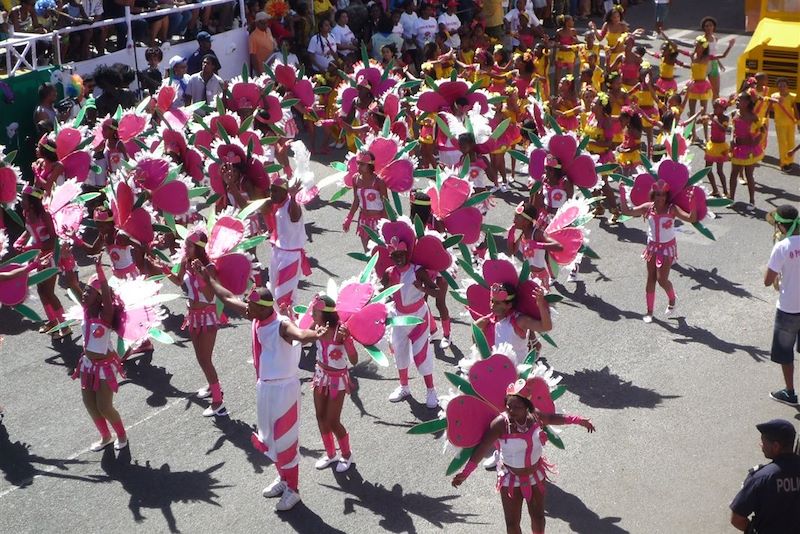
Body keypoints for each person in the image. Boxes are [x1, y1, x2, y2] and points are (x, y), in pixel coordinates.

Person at [198, 266, 326, 511]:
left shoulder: (280, 325)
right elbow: (226, 297)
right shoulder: (257, 316)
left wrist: (315, 334)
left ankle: (293, 490)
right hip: (265, 388)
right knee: (271, 439)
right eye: (248, 304)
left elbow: (299, 334)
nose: (247, 308)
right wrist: (210, 278)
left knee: (286, 441)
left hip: (284, 392)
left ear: (266, 307)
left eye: (252, 306)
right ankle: (283, 478)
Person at [452, 378, 595, 534]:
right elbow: (482, 448)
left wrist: (578, 420)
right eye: (508, 406)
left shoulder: (535, 417)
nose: (511, 411)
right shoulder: (500, 424)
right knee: (512, 524)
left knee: (539, 517)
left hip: (536, 475)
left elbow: (553, 418)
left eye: (516, 407)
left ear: (527, 407)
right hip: (510, 479)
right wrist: (465, 473)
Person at [619, 180, 698, 323]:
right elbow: (626, 211)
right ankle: (649, 312)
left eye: (663, 195)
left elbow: (691, 218)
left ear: (667, 196)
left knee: (662, 279)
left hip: (667, 248)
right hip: (652, 247)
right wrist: (622, 193)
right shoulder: (648, 208)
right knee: (651, 278)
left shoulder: (672, 209)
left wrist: (692, 201)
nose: (660, 198)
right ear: (653, 195)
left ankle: (672, 299)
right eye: (657, 195)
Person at [72, 261, 128, 452]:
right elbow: (73, 283)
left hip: (105, 366)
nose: (84, 294)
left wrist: (99, 272)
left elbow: (105, 292)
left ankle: (121, 435)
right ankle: (105, 436)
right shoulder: (87, 310)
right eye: (85, 290)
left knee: (104, 406)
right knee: (89, 403)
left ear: (99, 298)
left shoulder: (105, 315)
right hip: (87, 364)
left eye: (89, 292)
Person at [308, 294, 358, 473]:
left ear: (326, 314)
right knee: (320, 416)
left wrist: (348, 341)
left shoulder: (340, 331)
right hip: (320, 375)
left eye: (315, 311)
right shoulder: (316, 326)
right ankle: (330, 454)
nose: (312, 314)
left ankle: (346, 455)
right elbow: (301, 337)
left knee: (332, 420)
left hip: (337, 380)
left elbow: (354, 360)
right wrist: (287, 314)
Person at [730, 419, 800, 532]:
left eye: (763, 442)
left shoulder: (761, 478)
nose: (761, 445)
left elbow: (737, 519)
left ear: (776, 446)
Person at [764, 205, 800, 406]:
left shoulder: (782, 247)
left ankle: (790, 392)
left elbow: (768, 281)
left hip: (788, 309)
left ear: (781, 225)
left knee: (786, 354)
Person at [342, 151, 388, 251]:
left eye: (362, 164)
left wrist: (386, 224)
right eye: (358, 163)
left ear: (370, 165)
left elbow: (386, 204)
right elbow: (356, 201)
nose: (359, 166)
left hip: (378, 221)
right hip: (363, 221)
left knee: (378, 252)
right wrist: (348, 218)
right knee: (367, 253)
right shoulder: (355, 179)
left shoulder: (379, 182)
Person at [769, 78, 799, 172]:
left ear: (787, 87)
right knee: (782, 143)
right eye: (780, 85)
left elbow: (796, 110)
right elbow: (770, 109)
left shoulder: (792, 97)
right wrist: (774, 102)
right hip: (779, 123)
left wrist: (798, 122)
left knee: (791, 142)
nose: (782, 87)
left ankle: (790, 161)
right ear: (777, 87)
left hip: (790, 123)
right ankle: (784, 163)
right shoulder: (774, 96)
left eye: (784, 85)